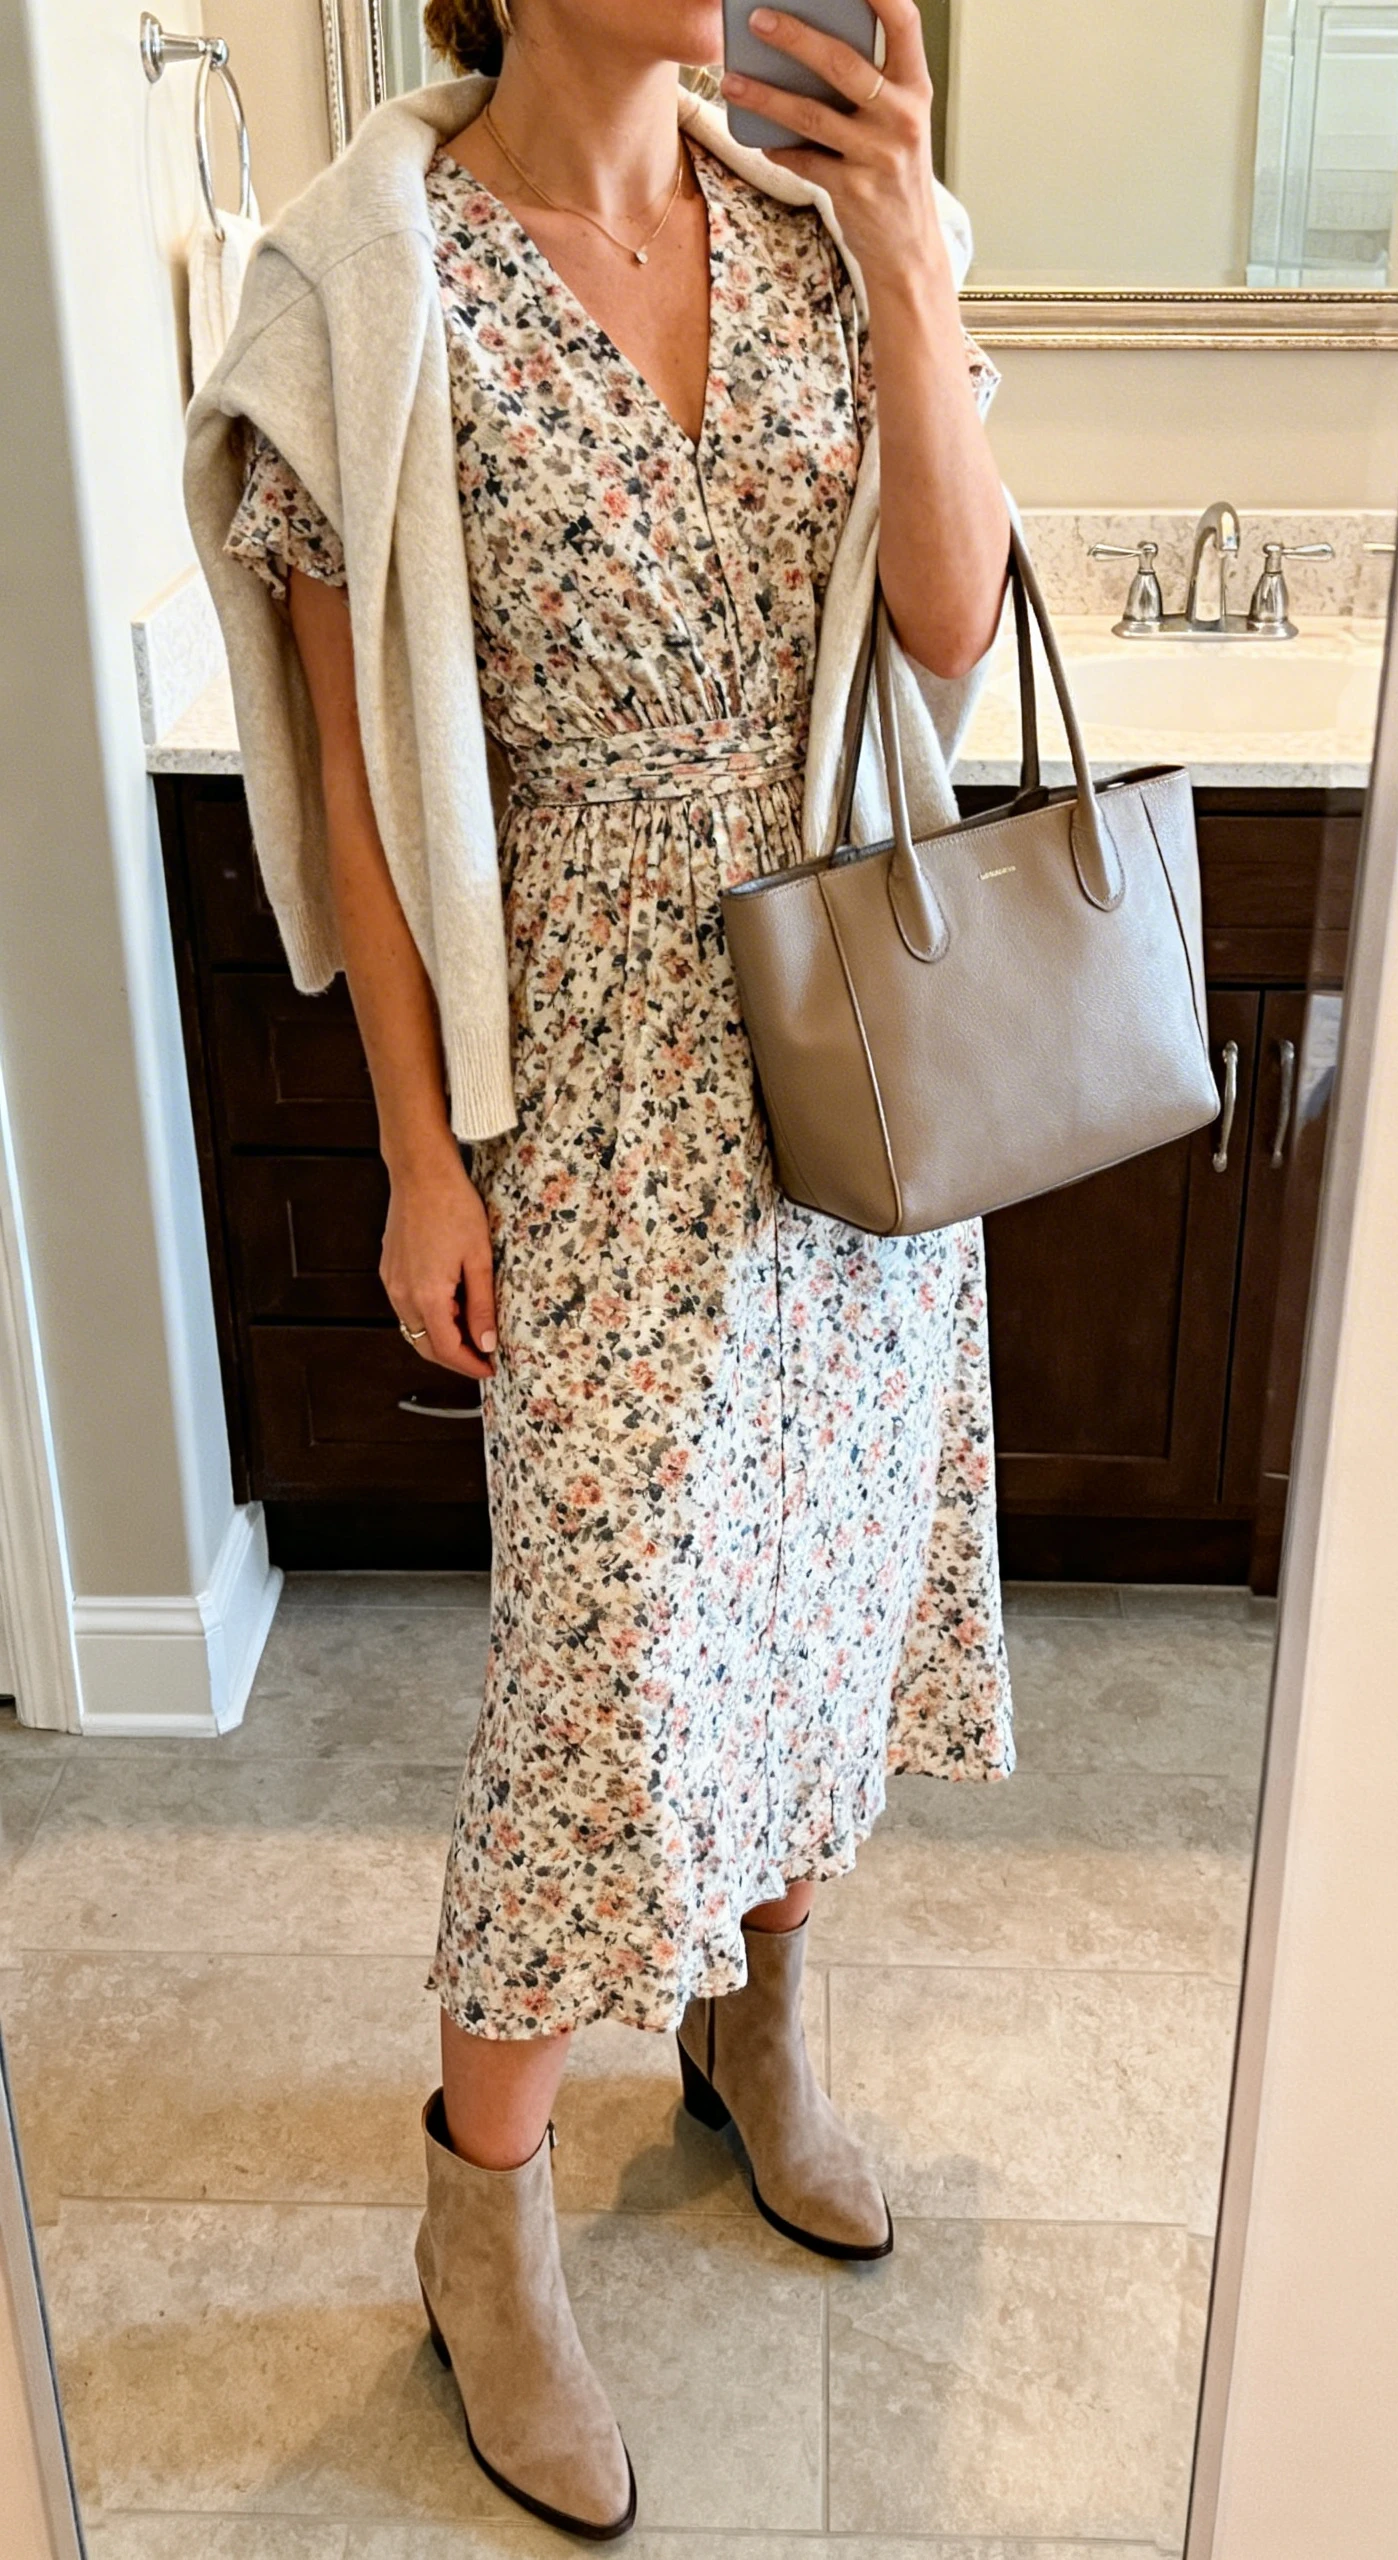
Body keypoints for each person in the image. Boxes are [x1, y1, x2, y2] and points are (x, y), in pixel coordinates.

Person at [187, 0, 1014, 2535]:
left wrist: (904, 267)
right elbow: (353, 788)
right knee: (608, 1670)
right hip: (600, 1083)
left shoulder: (824, 228)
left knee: (820, 1580)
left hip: (852, 1040)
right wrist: (422, 1158)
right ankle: (485, 2202)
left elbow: (953, 634)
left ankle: (763, 2035)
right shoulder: (372, 284)